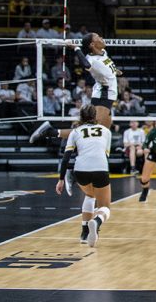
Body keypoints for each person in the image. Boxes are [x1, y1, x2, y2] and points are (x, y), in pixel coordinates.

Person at [30, 32, 121, 144]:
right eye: (98, 37)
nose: (102, 38)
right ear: (92, 44)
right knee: (92, 131)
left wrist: (115, 71)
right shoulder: (91, 60)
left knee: (104, 131)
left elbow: (106, 66)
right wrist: (76, 48)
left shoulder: (103, 52)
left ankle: (100, 156)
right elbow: (86, 65)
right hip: (104, 94)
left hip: (108, 94)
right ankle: (50, 132)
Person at [56, 104, 111, 247]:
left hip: (80, 171)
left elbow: (66, 157)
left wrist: (61, 179)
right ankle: (96, 221)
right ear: (95, 116)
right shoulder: (106, 131)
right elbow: (105, 155)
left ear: (81, 116)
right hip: (100, 168)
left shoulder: (75, 132)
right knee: (105, 206)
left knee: (90, 196)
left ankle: (85, 233)